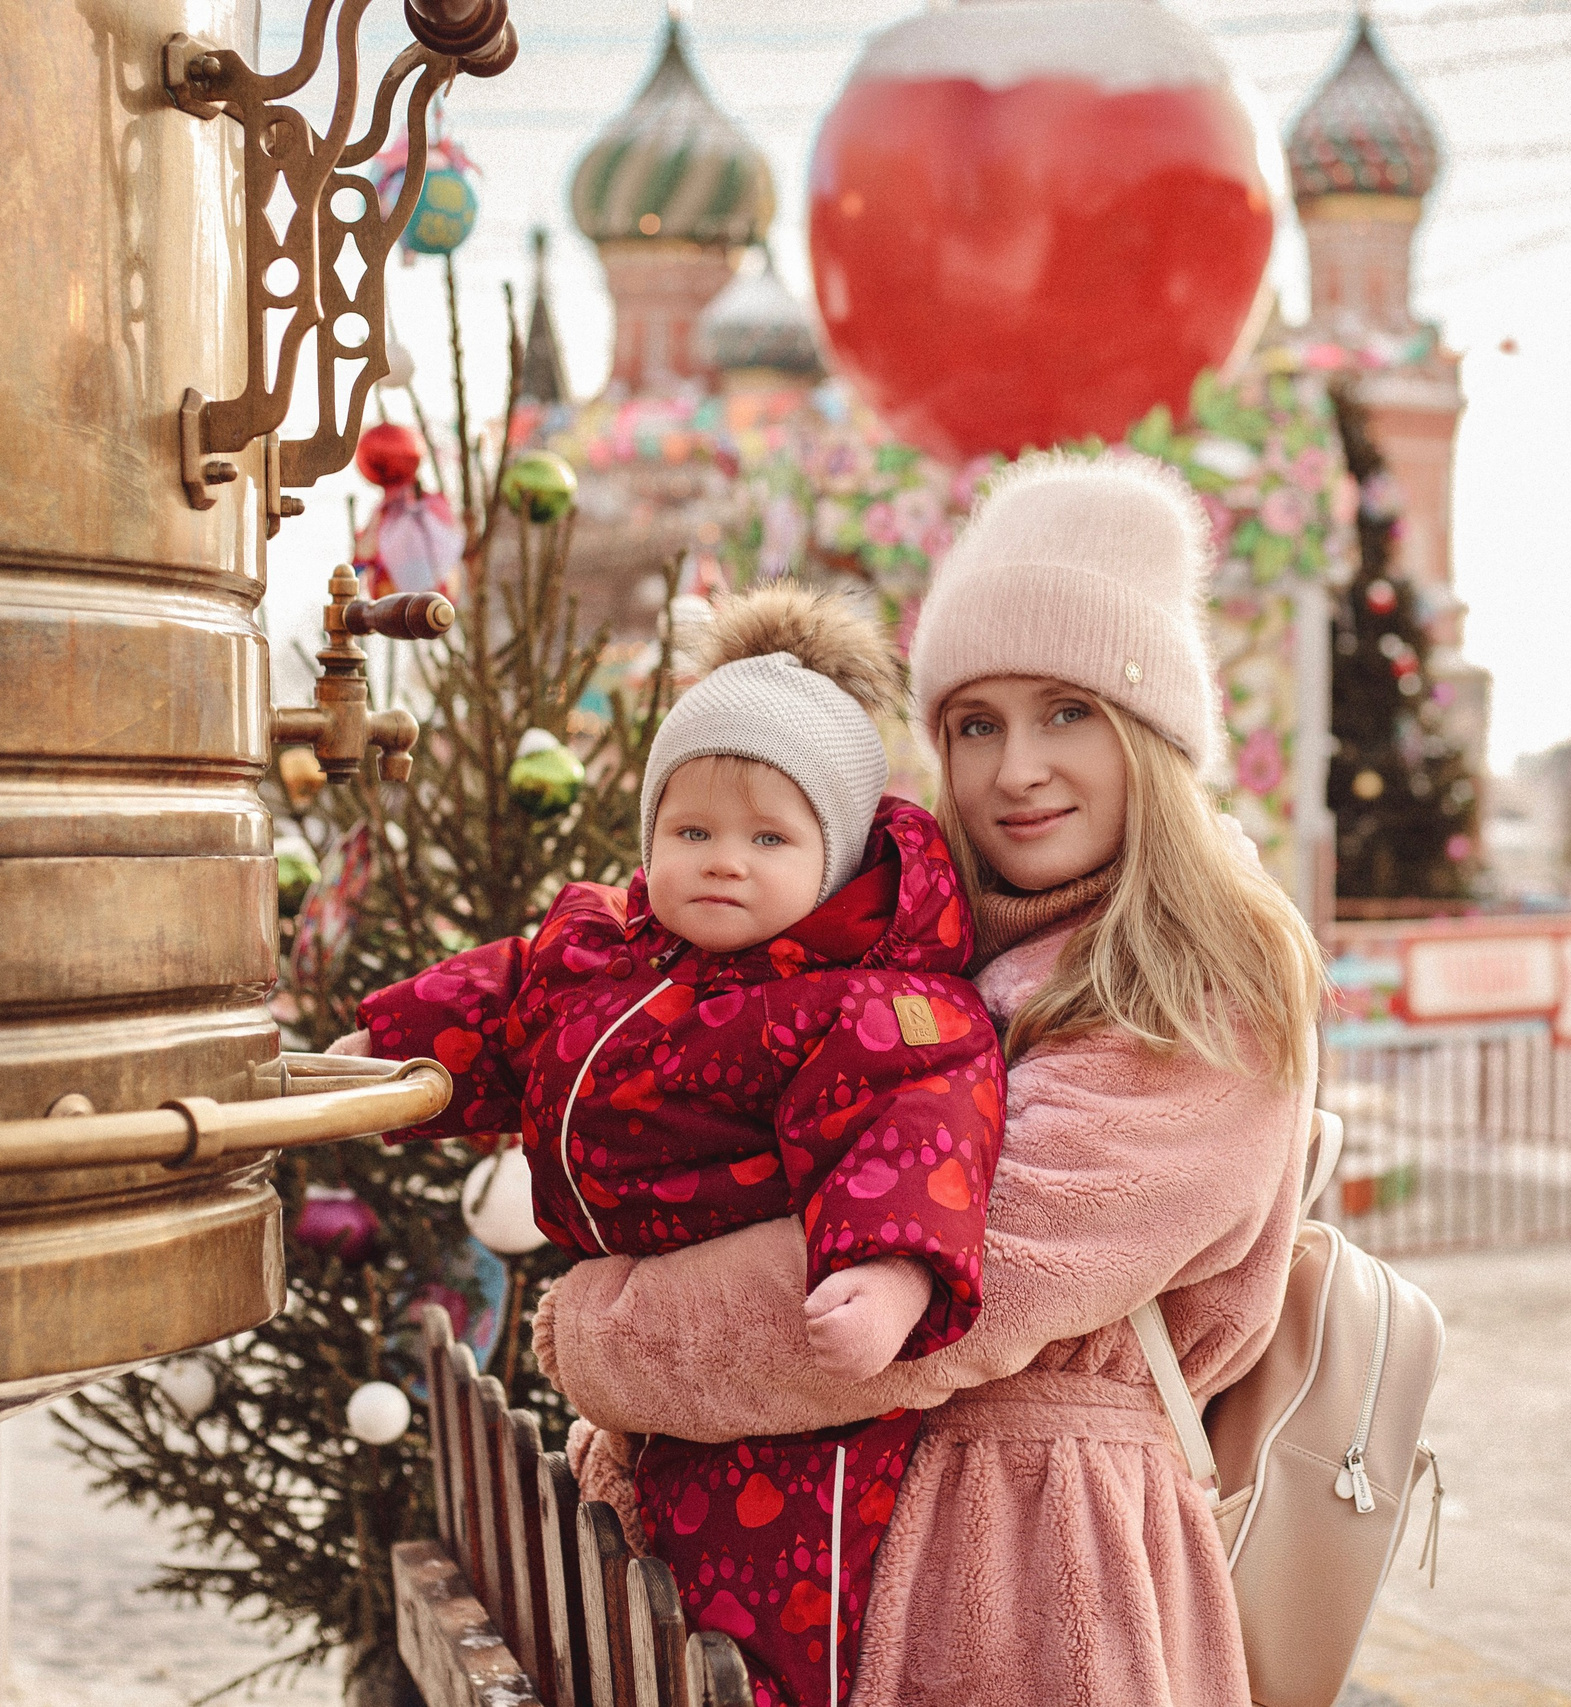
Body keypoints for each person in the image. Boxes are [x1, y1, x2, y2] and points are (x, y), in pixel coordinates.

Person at [535, 453, 1325, 1707]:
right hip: (835, 1546)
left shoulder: (1197, 987)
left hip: (1033, 1564)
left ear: (1153, 733)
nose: (1016, 770)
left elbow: (968, 1273)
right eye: (975, 724)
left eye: (1068, 713)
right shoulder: (920, 958)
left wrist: (603, 1332)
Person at [336, 586, 1007, 1707]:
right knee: (630, 1603)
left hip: (797, 1417)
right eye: (692, 832)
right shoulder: (603, 951)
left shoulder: (864, 1004)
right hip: (646, 1362)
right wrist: (388, 1050)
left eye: (769, 838)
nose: (724, 861)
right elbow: (501, 1004)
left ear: (838, 858)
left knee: (756, 1619)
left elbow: (920, 1122)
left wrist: (890, 1272)